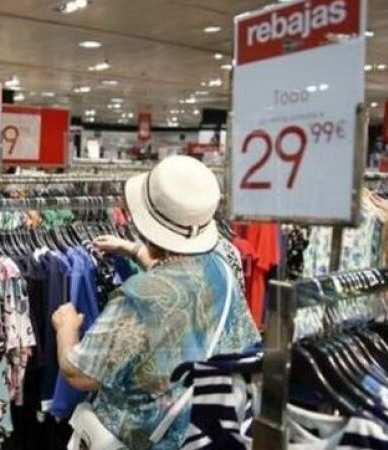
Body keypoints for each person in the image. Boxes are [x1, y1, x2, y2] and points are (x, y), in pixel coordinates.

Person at [52, 155, 261, 449]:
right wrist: (132, 250)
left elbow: (80, 373)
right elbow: (180, 279)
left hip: (151, 439)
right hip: (212, 430)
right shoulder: (222, 262)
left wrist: (66, 327)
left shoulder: (137, 299)